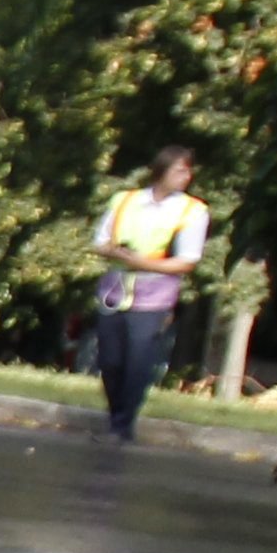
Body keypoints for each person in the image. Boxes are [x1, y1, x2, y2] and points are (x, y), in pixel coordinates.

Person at [92, 146, 213, 441]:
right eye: (179, 170)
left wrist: (142, 262)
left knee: (138, 359)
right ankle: (115, 413)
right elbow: (100, 240)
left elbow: (187, 260)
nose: (187, 176)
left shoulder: (192, 210)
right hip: (116, 288)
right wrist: (117, 251)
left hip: (154, 292)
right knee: (110, 359)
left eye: (188, 170)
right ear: (161, 171)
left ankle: (123, 424)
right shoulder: (125, 200)